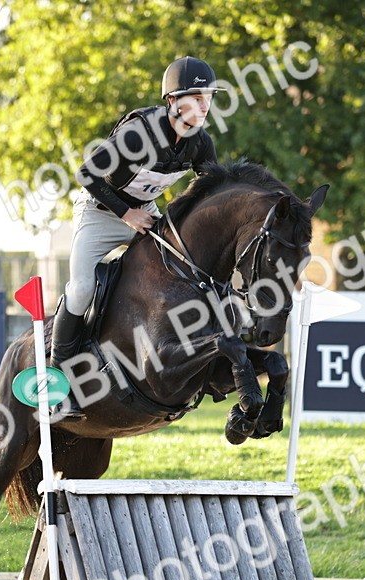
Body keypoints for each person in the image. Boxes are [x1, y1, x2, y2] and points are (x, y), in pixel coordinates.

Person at [50, 56, 226, 370]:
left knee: (183, 272)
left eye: (208, 99)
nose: (204, 106)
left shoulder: (200, 144)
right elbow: (86, 174)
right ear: (172, 101)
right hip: (99, 212)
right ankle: (57, 370)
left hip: (144, 214)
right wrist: (126, 214)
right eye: (196, 99)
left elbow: (212, 187)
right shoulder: (138, 135)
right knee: (81, 288)